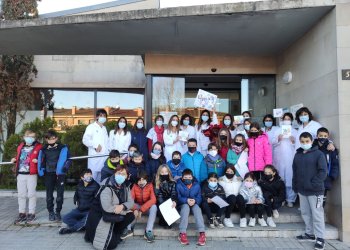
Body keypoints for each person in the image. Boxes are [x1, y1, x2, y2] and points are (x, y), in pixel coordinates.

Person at [84, 165, 135, 250]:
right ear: (114, 173)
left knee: (130, 216)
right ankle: (111, 235)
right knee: (111, 246)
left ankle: (115, 233)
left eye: (123, 174)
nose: (121, 176)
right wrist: (123, 210)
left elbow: (131, 202)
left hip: (113, 214)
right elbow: (107, 207)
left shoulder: (126, 186)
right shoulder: (106, 186)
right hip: (100, 216)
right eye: (119, 173)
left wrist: (122, 206)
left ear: (127, 176)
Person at [293, 132, 327, 250]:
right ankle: (309, 233)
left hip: (315, 191)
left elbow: (323, 171)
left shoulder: (319, 154)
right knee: (305, 213)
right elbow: (295, 171)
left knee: (317, 214)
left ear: (312, 141)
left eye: (307, 141)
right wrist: (295, 185)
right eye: (302, 141)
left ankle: (320, 238)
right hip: (302, 190)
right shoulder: (298, 154)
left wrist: (314, 183)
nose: (305, 143)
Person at [38, 129, 69, 222]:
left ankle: (58, 212)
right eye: (49, 139)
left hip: (60, 174)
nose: (51, 140)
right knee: (49, 195)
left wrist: (65, 168)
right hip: (48, 174)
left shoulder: (63, 147)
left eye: (53, 138)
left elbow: (69, 160)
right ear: (46, 139)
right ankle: (50, 212)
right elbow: (41, 160)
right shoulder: (43, 149)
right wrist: (41, 170)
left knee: (60, 195)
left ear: (56, 138)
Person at [12, 130, 42, 224]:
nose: (30, 138)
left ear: (35, 138)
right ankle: (22, 213)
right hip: (20, 173)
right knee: (21, 194)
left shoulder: (39, 147)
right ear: (24, 137)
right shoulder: (21, 146)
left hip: (31, 174)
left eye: (32, 137)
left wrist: (38, 160)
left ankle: (31, 213)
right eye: (28, 136)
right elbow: (19, 157)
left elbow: (43, 157)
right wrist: (14, 159)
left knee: (31, 194)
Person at [59, 169, 100, 234]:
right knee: (66, 218)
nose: (89, 176)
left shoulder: (96, 186)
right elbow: (76, 196)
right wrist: (75, 201)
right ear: (82, 177)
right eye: (87, 174)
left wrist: (92, 208)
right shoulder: (79, 185)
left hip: (89, 210)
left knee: (86, 220)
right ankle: (82, 226)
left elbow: (97, 200)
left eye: (90, 174)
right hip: (79, 209)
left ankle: (71, 230)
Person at [273, 113, 298, 207]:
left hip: (290, 158)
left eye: (288, 119)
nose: (286, 120)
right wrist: (278, 139)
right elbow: (272, 143)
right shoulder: (277, 130)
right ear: (282, 120)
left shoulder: (295, 131)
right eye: (285, 119)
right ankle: (281, 198)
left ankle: (290, 199)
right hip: (279, 158)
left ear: (291, 120)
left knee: (290, 178)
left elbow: (298, 145)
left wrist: (293, 141)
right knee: (280, 178)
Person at [176, 169, 206, 246]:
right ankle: (182, 233)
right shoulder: (178, 185)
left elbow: (199, 197)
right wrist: (186, 200)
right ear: (182, 178)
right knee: (185, 207)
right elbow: (178, 197)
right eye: (185, 177)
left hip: (193, 203)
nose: (188, 179)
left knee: (197, 208)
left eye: (189, 177)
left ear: (192, 177)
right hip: (183, 204)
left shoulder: (197, 185)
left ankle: (202, 233)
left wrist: (195, 201)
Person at [313, 127, 339, 207]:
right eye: (321, 135)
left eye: (325, 136)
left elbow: (335, 163)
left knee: (321, 203)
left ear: (328, 136)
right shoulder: (312, 147)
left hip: (325, 180)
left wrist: (332, 176)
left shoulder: (331, 149)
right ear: (317, 136)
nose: (323, 137)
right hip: (313, 179)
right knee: (313, 200)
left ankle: (320, 218)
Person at [128, 170, 157, 243]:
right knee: (128, 205)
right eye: (139, 180)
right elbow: (130, 200)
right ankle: (128, 229)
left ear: (146, 179)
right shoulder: (134, 186)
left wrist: (141, 210)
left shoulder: (150, 186)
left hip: (146, 207)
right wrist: (134, 209)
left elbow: (153, 200)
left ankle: (148, 231)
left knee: (154, 207)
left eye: (143, 179)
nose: (141, 182)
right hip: (138, 206)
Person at [82, 109, 109, 183]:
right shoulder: (91, 127)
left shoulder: (104, 128)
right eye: (101, 115)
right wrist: (95, 145)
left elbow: (106, 143)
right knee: (91, 181)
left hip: (104, 159)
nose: (102, 117)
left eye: (104, 116)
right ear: (97, 117)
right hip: (94, 158)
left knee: (101, 182)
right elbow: (85, 140)